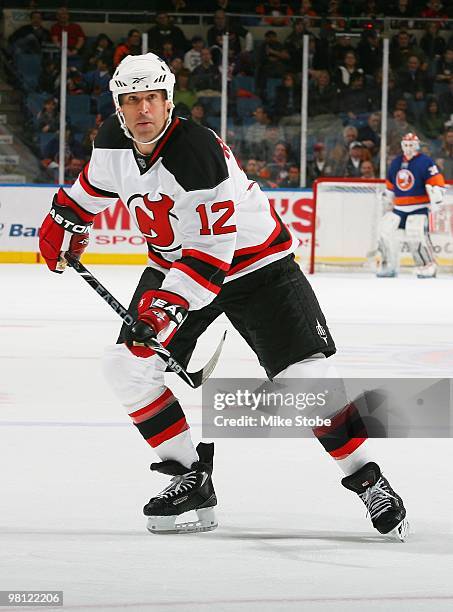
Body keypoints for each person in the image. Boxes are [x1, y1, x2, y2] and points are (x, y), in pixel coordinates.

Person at [38, 53, 408, 540]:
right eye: (131, 100)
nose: (142, 109)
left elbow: (214, 251)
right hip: (176, 265)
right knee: (126, 366)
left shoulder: (196, 152)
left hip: (257, 269)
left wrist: (166, 307)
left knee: (309, 385)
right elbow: (93, 187)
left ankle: (368, 481)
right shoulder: (112, 139)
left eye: (151, 98)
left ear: (168, 101)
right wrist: (66, 217)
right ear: (119, 106)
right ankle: (190, 475)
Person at [377, 132, 446, 279]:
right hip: (399, 208)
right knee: (385, 231)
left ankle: (426, 265)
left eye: (411, 145)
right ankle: (389, 264)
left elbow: (436, 181)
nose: (408, 148)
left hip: (419, 207)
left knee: (416, 234)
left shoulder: (425, 161)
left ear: (417, 146)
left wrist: (437, 193)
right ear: (402, 145)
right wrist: (387, 198)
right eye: (406, 145)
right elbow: (390, 186)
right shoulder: (395, 163)